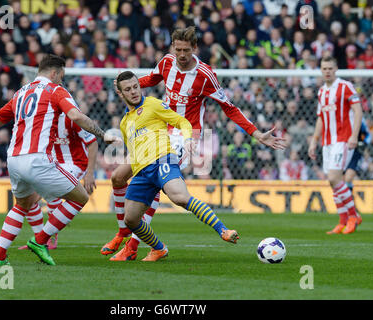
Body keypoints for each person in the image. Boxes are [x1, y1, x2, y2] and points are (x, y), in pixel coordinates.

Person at [102, 27, 287, 260]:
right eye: (177, 49)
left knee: (159, 179)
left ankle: (133, 247)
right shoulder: (167, 62)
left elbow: (229, 107)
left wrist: (255, 132)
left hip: (185, 134)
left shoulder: (205, 75)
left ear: (195, 48)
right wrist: (128, 85)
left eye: (186, 51)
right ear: (172, 47)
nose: (181, 55)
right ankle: (123, 233)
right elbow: (151, 79)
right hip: (160, 130)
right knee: (118, 176)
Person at [0, 54, 120, 266]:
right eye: (61, 76)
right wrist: (104, 135)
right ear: (55, 73)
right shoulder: (56, 90)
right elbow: (76, 116)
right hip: (38, 159)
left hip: (14, 159)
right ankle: (40, 240)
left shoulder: (20, 92)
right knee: (80, 197)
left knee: (23, 205)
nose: (62, 80)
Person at [114, 70, 239, 262]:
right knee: (130, 219)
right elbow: (133, 150)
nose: (133, 92)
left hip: (163, 160)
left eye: (136, 87)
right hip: (141, 173)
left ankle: (223, 230)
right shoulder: (124, 123)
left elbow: (181, 121)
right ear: (121, 94)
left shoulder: (153, 104)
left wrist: (188, 139)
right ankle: (158, 249)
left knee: (180, 197)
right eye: (128, 89)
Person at [18, 112, 98, 251]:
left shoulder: (73, 119)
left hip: (75, 163)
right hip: (53, 164)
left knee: (52, 188)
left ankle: (49, 238)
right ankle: (39, 240)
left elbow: (93, 143)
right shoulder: (43, 119)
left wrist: (90, 173)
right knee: (28, 196)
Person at [308, 56, 363, 235]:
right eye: (324, 68)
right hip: (327, 142)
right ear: (321, 70)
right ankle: (342, 221)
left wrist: (354, 136)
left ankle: (354, 216)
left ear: (336, 68)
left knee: (334, 178)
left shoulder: (345, 86)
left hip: (343, 139)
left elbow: (358, 110)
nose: (327, 71)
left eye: (330, 68)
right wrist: (314, 141)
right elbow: (320, 119)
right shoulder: (321, 91)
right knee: (333, 183)